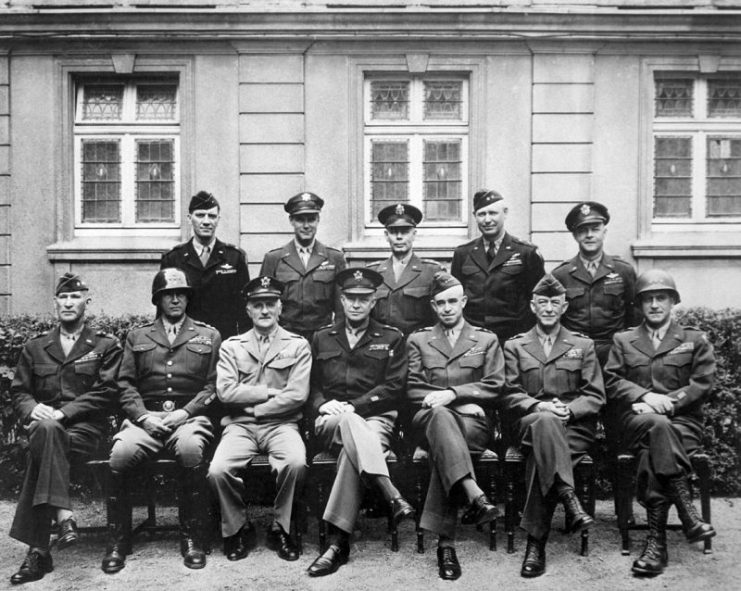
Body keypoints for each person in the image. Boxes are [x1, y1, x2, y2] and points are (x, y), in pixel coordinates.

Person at [101, 268, 221, 574]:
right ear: (158, 299)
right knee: (120, 454)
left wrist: (186, 413)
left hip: (189, 418)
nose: (176, 299)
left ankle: (192, 537)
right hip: (146, 418)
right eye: (169, 294)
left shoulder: (208, 335)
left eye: (181, 293)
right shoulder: (137, 336)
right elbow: (125, 385)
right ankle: (118, 540)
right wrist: (142, 417)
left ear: (188, 297)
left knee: (192, 448)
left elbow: (213, 386)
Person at [9, 273, 122, 586]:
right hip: (46, 430)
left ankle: (39, 548)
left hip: (88, 433)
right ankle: (62, 519)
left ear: (87, 301)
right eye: (63, 297)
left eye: (76, 297)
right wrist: (33, 408)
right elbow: (20, 392)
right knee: (46, 432)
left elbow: (106, 392)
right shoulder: (35, 348)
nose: (69, 303)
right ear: (55, 303)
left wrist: (61, 413)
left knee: (45, 435)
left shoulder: (104, 345)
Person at [604, 269, 716, 577]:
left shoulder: (693, 339)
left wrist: (670, 403)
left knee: (652, 448)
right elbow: (611, 381)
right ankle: (687, 511)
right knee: (656, 426)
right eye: (648, 299)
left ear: (672, 302)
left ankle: (657, 542)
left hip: (683, 425)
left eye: (661, 298)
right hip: (636, 420)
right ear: (639, 305)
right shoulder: (624, 340)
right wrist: (646, 397)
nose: (654, 305)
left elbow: (703, 382)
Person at [306, 267, 414, 577]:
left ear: (373, 302)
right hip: (330, 421)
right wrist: (322, 404)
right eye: (350, 298)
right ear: (341, 300)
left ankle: (338, 543)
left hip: (377, 419)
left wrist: (354, 407)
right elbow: (311, 386)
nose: (356, 304)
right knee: (350, 427)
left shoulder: (391, 337)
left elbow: (394, 387)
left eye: (363, 299)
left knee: (350, 454)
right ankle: (390, 492)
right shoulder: (322, 336)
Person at [503, 274, 604, 578]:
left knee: (540, 456)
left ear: (564, 306)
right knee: (544, 422)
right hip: (530, 422)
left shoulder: (582, 345)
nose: (548, 308)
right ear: (533, 306)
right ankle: (569, 500)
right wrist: (540, 406)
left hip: (573, 427)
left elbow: (595, 394)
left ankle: (536, 544)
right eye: (542, 302)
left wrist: (570, 411)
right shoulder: (516, 346)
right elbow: (508, 393)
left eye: (554, 302)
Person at [406, 271, 504, 580]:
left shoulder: (486, 339)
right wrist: (455, 401)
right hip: (429, 419)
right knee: (441, 418)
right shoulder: (419, 339)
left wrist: (452, 395)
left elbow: (495, 384)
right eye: (440, 303)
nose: (447, 308)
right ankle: (475, 495)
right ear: (433, 307)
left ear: (463, 302)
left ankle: (445, 544)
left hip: (474, 425)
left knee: (443, 447)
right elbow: (411, 388)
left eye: (452, 301)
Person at [207, 276, 311, 563]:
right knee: (218, 470)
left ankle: (282, 527)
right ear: (248, 310)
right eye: (258, 305)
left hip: (281, 424)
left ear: (280, 308)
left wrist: (256, 408)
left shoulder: (298, 345)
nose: (264, 311)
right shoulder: (232, 346)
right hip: (240, 427)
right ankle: (239, 528)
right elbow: (226, 391)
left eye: (270, 304)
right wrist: (267, 391)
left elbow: (297, 394)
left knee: (295, 463)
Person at [451, 189, 544, 342]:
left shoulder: (526, 252)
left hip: (514, 339)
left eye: (493, 213)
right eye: (481, 214)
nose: (487, 220)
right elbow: (456, 298)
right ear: (475, 216)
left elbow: (537, 299)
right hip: (473, 339)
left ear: (505, 213)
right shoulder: (463, 253)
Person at [552, 201, 637, 366]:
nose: (589, 235)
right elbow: (555, 319)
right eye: (583, 230)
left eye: (595, 229)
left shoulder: (623, 271)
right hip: (573, 352)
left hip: (614, 351)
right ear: (575, 235)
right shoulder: (560, 275)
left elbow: (634, 315)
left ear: (604, 233)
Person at [161, 190, 250, 339]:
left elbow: (244, 310)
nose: (207, 221)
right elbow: (164, 308)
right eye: (200, 215)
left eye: (212, 216)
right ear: (190, 218)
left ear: (218, 219)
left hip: (224, 342)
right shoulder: (173, 258)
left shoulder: (234, 258)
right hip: (185, 342)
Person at [260, 191, 347, 341]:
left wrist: (336, 340)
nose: (306, 226)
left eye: (311, 219)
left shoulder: (335, 258)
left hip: (323, 338)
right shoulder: (274, 259)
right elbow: (264, 304)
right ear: (291, 221)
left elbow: (341, 308)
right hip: (284, 338)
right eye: (300, 220)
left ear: (318, 220)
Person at [367, 203, 446, 336]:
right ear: (386, 236)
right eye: (393, 232)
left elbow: (441, 317)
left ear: (414, 234)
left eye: (405, 231)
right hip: (381, 347)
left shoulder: (432, 271)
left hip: (417, 346)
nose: (399, 237)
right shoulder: (373, 273)